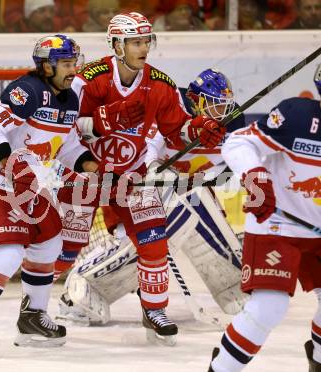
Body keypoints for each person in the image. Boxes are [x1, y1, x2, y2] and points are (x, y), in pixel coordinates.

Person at [54, 12, 226, 345]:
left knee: (153, 241)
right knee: (64, 250)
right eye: (136, 42)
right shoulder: (90, 79)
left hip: (132, 179)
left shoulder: (160, 84)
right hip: (85, 175)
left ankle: (154, 310)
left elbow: (176, 131)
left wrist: (198, 129)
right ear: (117, 44)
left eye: (147, 40)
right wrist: (104, 120)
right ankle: (33, 308)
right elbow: (63, 126)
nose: (143, 47)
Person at [58, 68, 248, 327]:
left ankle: (232, 288)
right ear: (197, 102)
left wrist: (201, 180)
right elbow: (146, 153)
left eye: (225, 105)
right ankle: (83, 288)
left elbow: (228, 171)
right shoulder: (171, 107)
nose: (222, 112)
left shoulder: (234, 121)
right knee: (140, 246)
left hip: (188, 191)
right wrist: (156, 173)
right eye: (215, 105)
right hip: (135, 190)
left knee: (199, 208)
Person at [0, 34, 85, 358]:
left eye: (74, 62)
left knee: (49, 242)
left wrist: (90, 163)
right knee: (7, 254)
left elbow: (66, 147)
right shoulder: (28, 90)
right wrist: (10, 164)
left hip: (28, 182)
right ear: (46, 66)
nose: (72, 70)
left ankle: (33, 317)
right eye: (66, 63)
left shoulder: (69, 99)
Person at [208, 64, 321, 371]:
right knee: (269, 306)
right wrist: (255, 175)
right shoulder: (297, 116)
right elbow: (237, 142)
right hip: (279, 222)